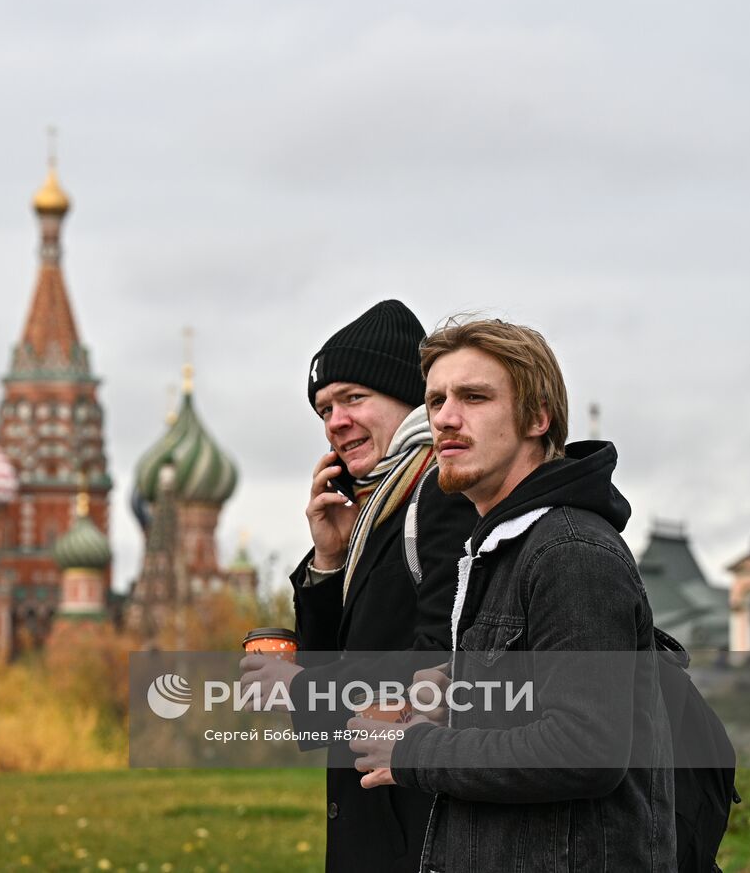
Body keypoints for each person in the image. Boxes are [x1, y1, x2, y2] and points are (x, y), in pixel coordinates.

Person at [347, 316, 675, 871]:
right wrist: (452, 688)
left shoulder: (570, 553)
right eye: (435, 401)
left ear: (537, 417)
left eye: (474, 397)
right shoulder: (502, 548)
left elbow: (586, 747)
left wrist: (416, 753)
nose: (445, 419)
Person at [241, 299, 475, 872]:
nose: (335, 422)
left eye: (353, 399)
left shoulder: (442, 498)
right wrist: (328, 561)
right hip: (384, 823)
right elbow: (341, 667)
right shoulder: (381, 509)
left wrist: (300, 688)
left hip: (422, 829)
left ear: (410, 399)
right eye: (324, 408)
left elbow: (444, 665)